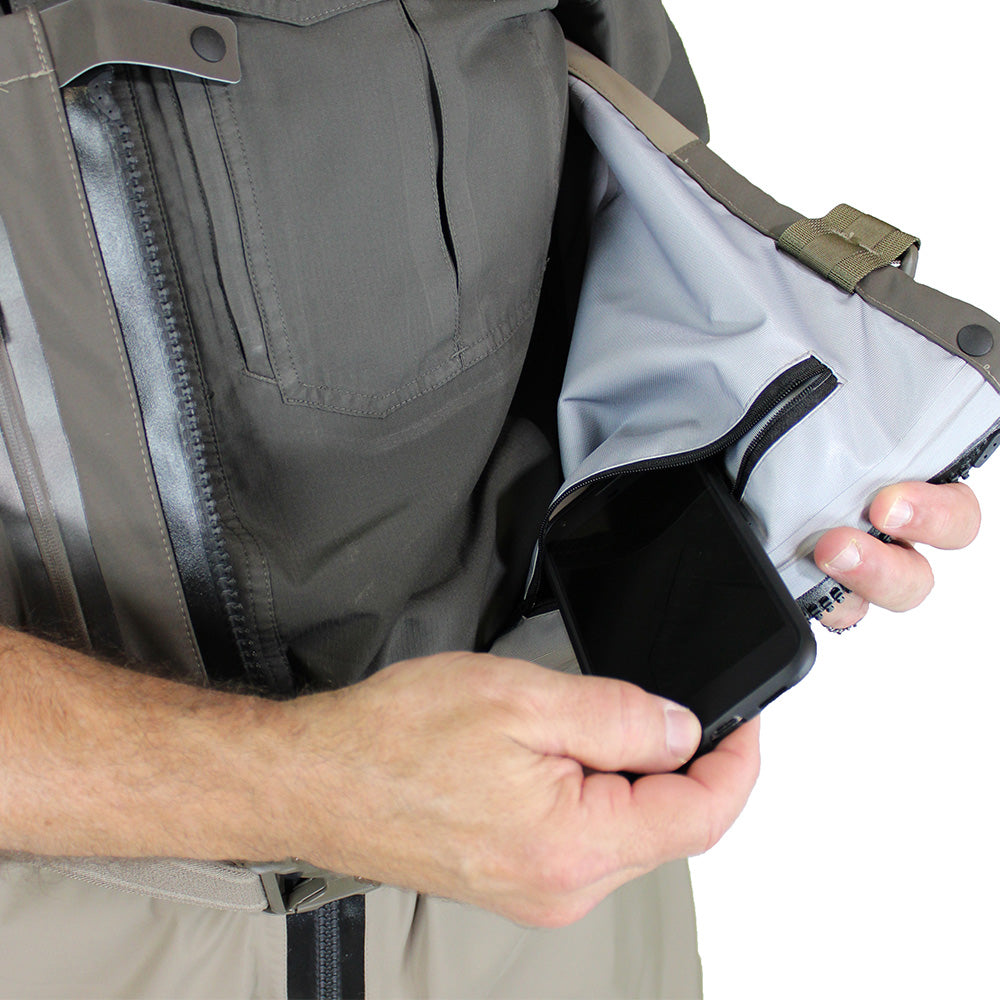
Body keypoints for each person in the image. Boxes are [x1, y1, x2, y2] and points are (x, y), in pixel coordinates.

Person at [0, 1, 985, 997]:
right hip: (70, 935)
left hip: (560, 894)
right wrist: (297, 783)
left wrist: (764, 476)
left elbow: (620, 183)